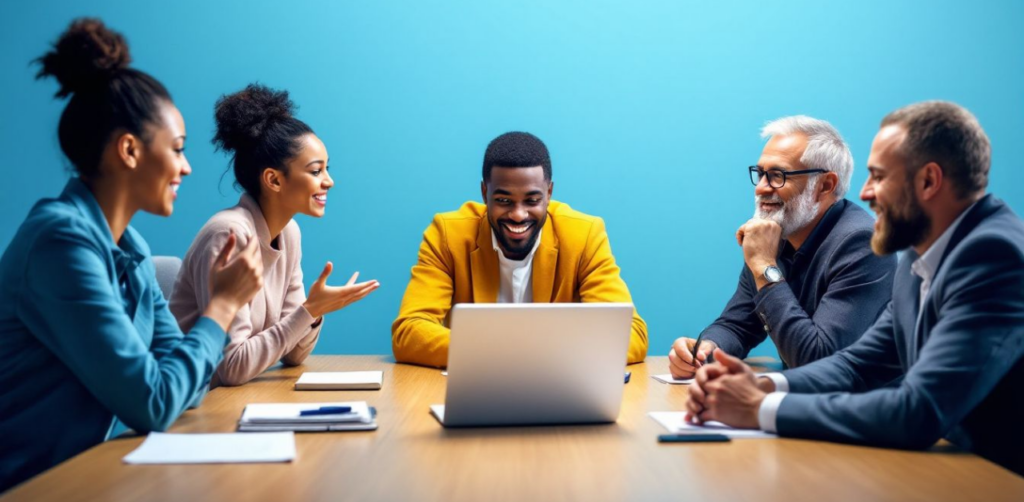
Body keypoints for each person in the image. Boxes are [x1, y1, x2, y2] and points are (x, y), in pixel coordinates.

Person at [686, 101, 1024, 475]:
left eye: (878, 177)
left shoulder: (993, 255)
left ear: (928, 181)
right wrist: (761, 385)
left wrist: (758, 408)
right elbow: (856, 365)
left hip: (993, 478)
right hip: (938, 466)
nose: (864, 193)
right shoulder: (920, 254)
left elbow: (920, 410)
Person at [0, 19, 263, 491]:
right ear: (129, 150)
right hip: (33, 485)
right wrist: (222, 307)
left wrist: (182, 370)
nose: (186, 166)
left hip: (96, 475)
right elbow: (155, 402)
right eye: (178, 149)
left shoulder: (131, 248)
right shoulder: (60, 243)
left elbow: (187, 387)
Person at [170, 84, 379, 387]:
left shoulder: (289, 233)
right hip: (197, 408)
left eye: (326, 169)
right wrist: (309, 310)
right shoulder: (227, 235)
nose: (329, 182)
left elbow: (294, 355)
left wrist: (313, 313)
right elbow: (231, 367)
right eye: (316, 171)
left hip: (235, 402)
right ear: (274, 180)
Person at [392, 132, 647, 368]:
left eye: (532, 200)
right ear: (484, 193)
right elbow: (409, 331)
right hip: (480, 387)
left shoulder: (584, 235)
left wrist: (537, 356)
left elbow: (631, 333)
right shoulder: (448, 235)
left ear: (549, 193)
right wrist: (503, 354)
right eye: (503, 201)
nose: (518, 215)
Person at [668, 117, 896, 378]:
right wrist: (705, 351)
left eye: (778, 176)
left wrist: (765, 267)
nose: (762, 188)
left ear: (825, 185)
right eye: (761, 173)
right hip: (802, 402)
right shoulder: (777, 234)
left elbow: (817, 362)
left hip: (861, 411)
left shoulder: (862, 244)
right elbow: (737, 326)